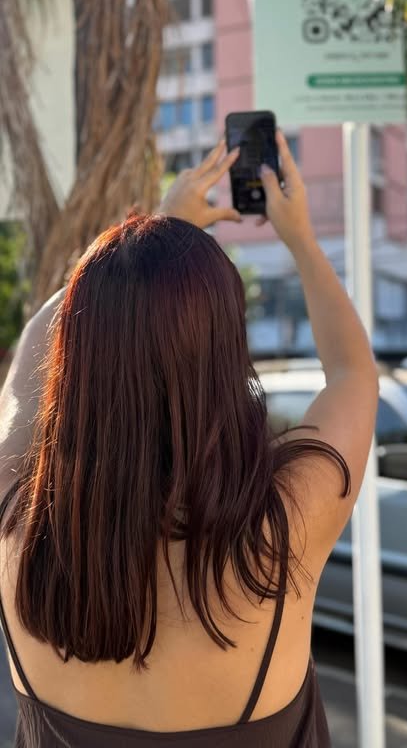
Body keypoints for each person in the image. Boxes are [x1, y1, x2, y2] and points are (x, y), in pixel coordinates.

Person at [0, 132, 378, 746]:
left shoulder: (17, 528)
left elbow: (24, 372)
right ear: (226, 351)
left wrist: (130, 254)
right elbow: (353, 374)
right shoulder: (280, 533)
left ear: (76, 349)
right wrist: (301, 239)